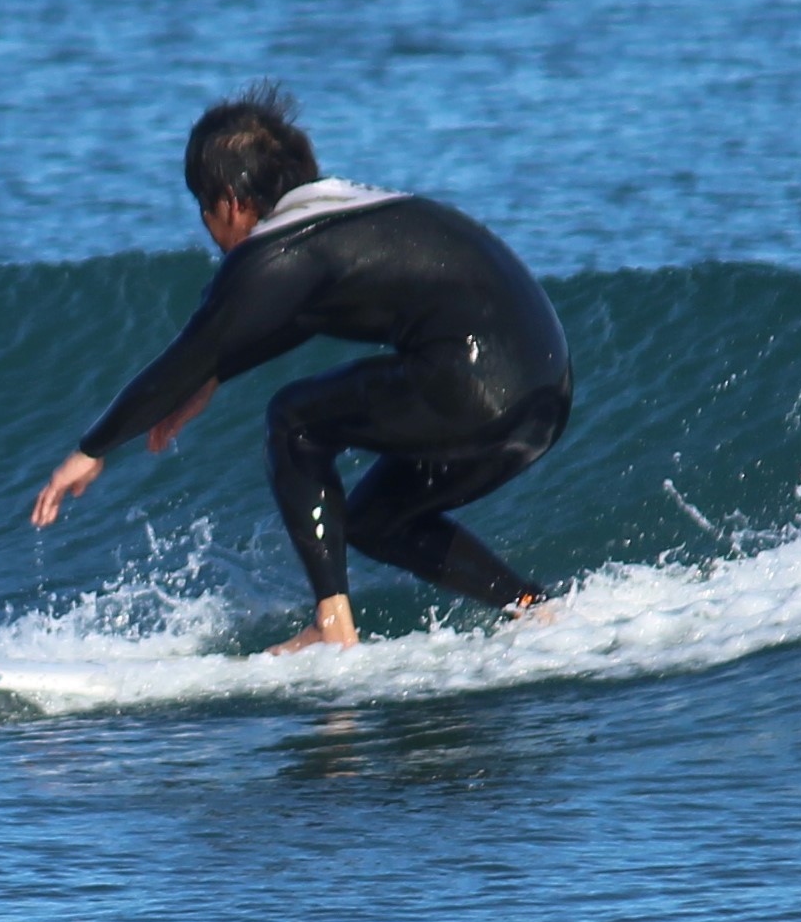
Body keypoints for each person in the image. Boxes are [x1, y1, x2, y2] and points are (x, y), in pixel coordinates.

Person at [31, 93, 572, 653]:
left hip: (475, 380)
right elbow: (303, 313)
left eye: (204, 208)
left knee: (295, 420)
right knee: (375, 520)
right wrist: (217, 374)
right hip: (543, 391)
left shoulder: (278, 249)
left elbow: (185, 355)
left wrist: (93, 449)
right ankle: (533, 609)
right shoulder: (347, 213)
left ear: (232, 200)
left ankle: (333, 628)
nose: (209, 229)